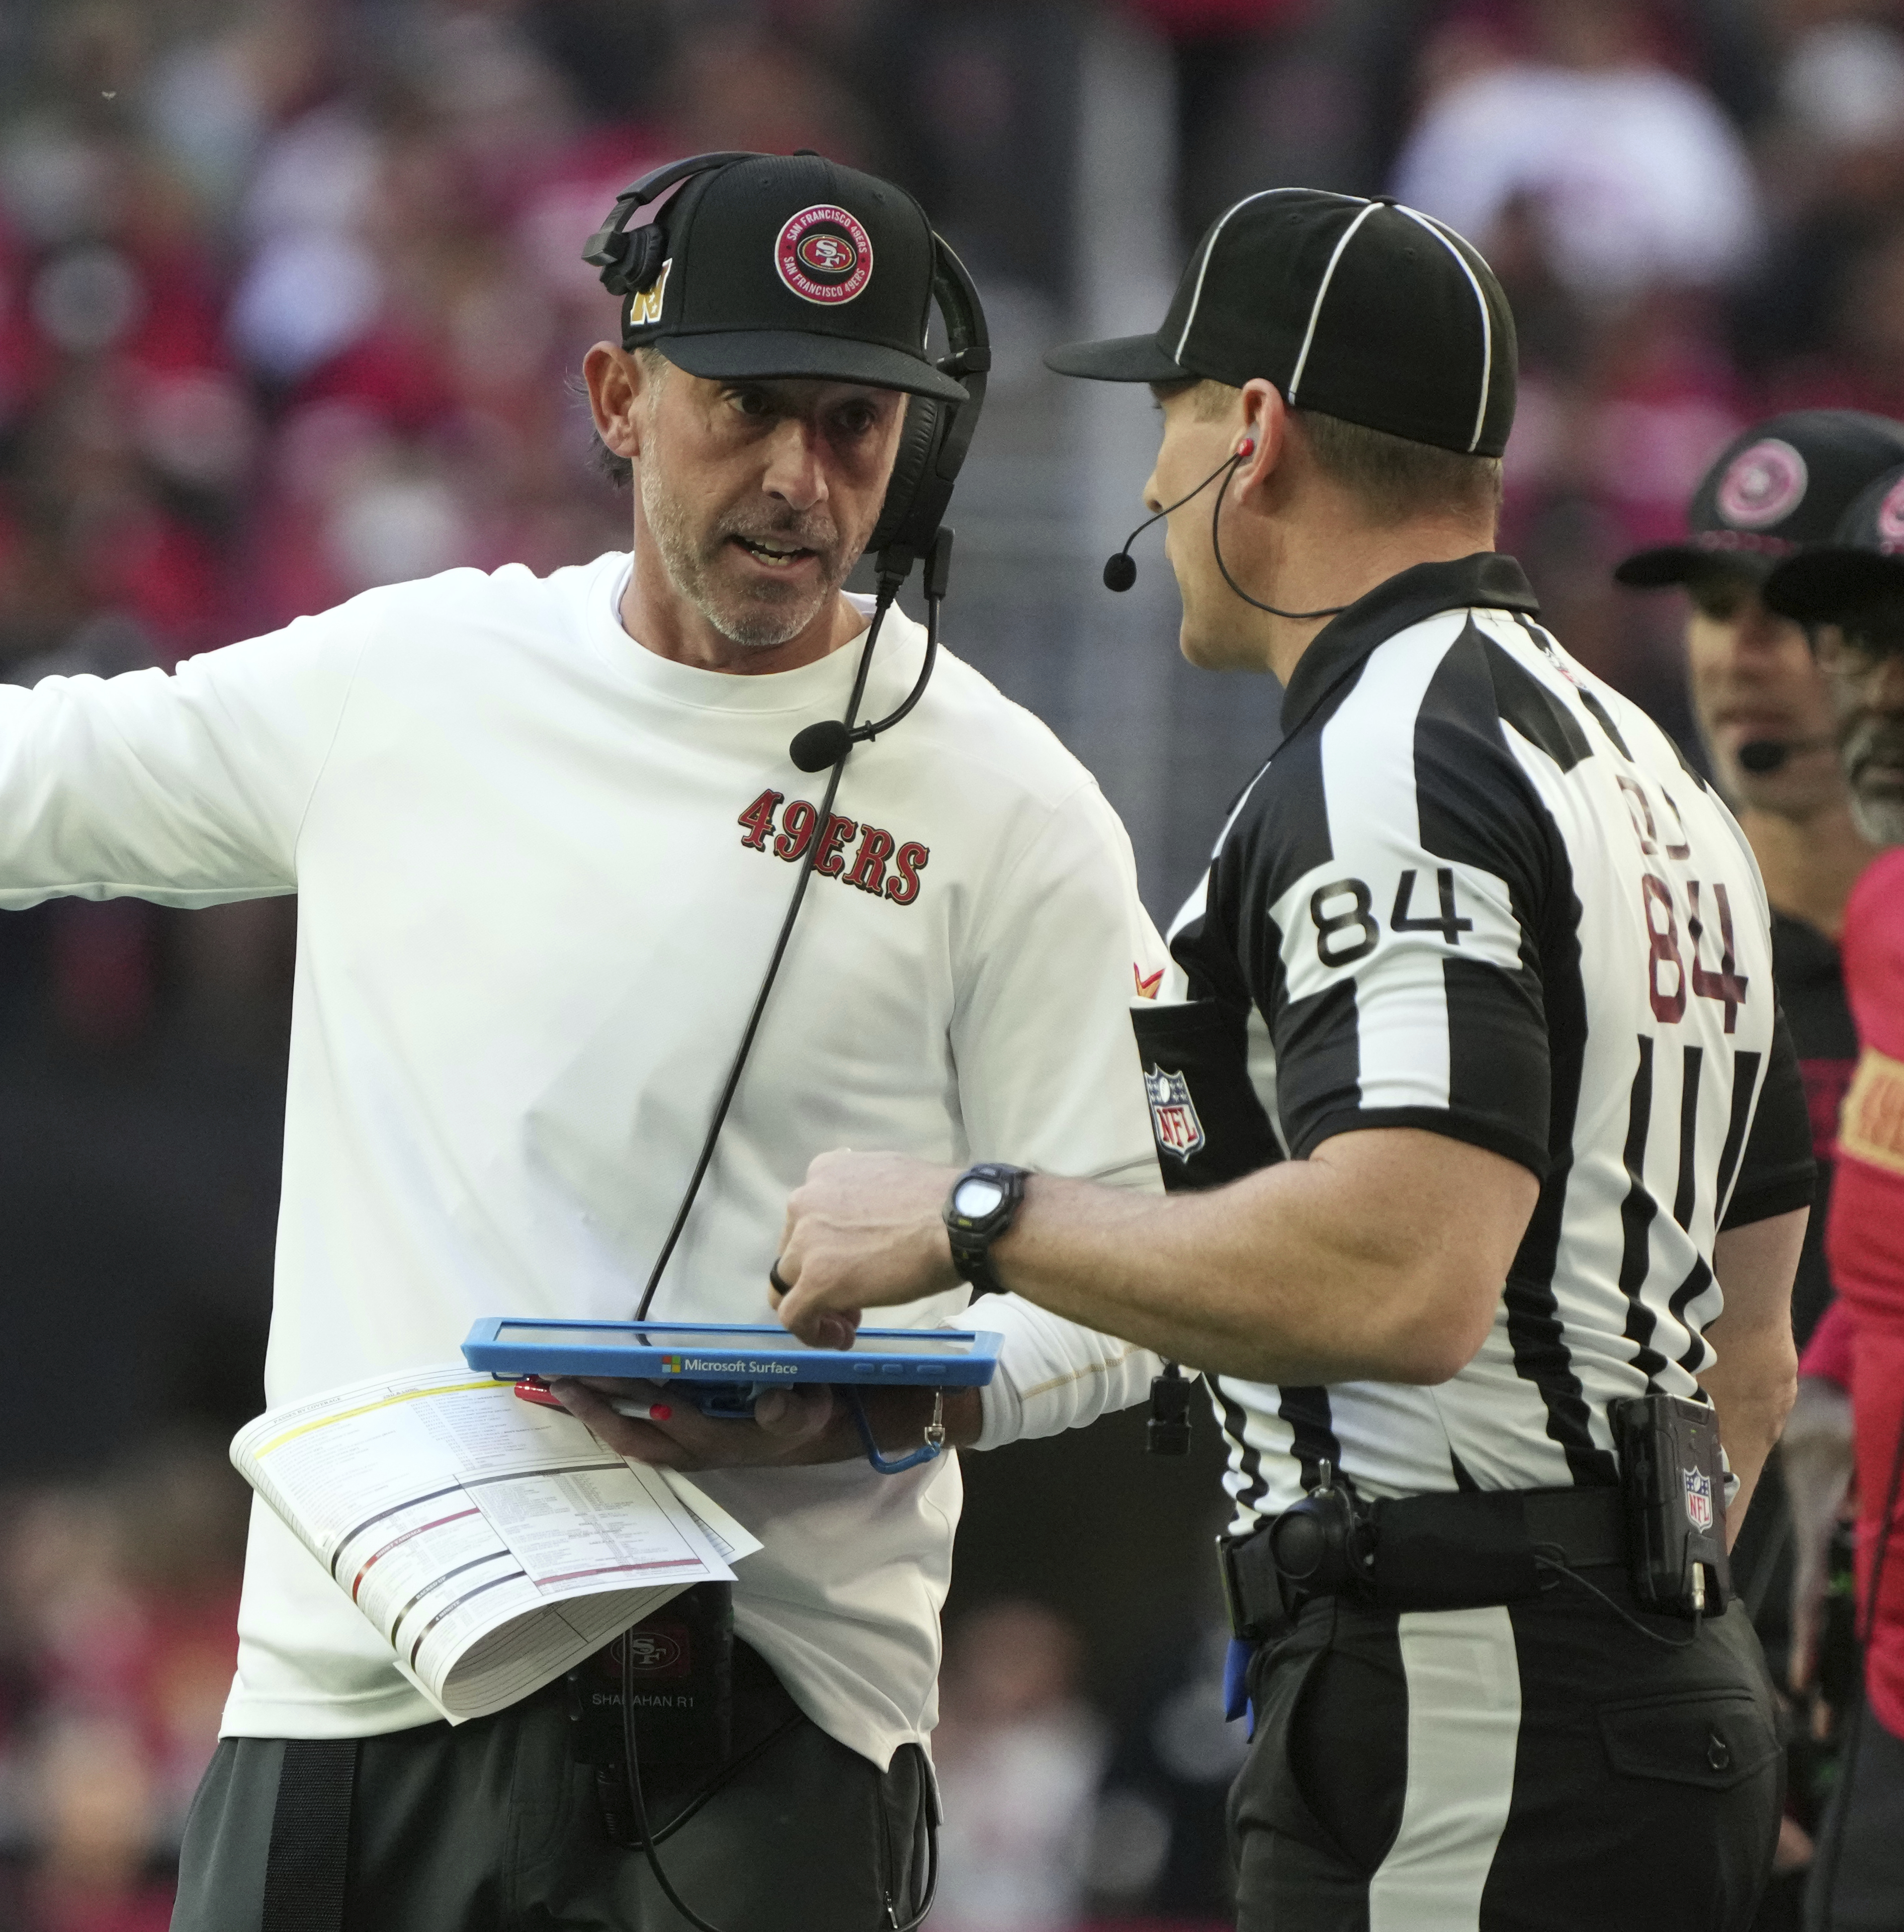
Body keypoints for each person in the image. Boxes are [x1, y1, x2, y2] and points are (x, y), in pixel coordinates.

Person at [0, 152, 1172, 1930]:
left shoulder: (1010, 806)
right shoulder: (409, 685)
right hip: (346, 1692)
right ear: (616, 403)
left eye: (856, 429)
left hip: (765, 1726)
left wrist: (893, 1396)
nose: (801, 483)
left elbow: (1134, 1279)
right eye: (748, 409)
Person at [772, 186, 1816, 1931]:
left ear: (1249, 435)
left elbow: (1406, 1271)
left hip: (1467, 1696)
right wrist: (1654, 1590)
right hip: (1615, 1685)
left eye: (1165, 419)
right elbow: (1753, 1347)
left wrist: (976, 1212)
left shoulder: (1402, 755)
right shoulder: (1657, 774)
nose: (1146, 488)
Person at [1612, 410, 1904, 1916]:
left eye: (1799, 615)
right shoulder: (1631, 948)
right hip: (1682, 1647)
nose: (1744, 653)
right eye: (1717, 606)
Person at [1751, 485, 1904, 1929]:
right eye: (1863, 647)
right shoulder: (1886, 921)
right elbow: (1877, 1287)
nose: (1882, 695)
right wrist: (1820, 1543)